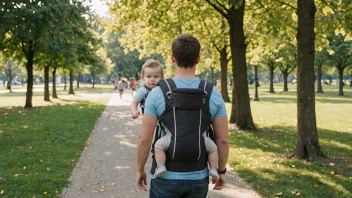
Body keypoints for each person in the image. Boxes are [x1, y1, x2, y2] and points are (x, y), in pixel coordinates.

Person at [136, 34, 229, 197]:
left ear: (173, 58)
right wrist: (221, 170)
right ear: (198, 59)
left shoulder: (158, 92)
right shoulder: (212, 92)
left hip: (164, 177)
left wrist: (140, 170)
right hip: (198, 176)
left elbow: (144, 138)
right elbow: (222, 140)